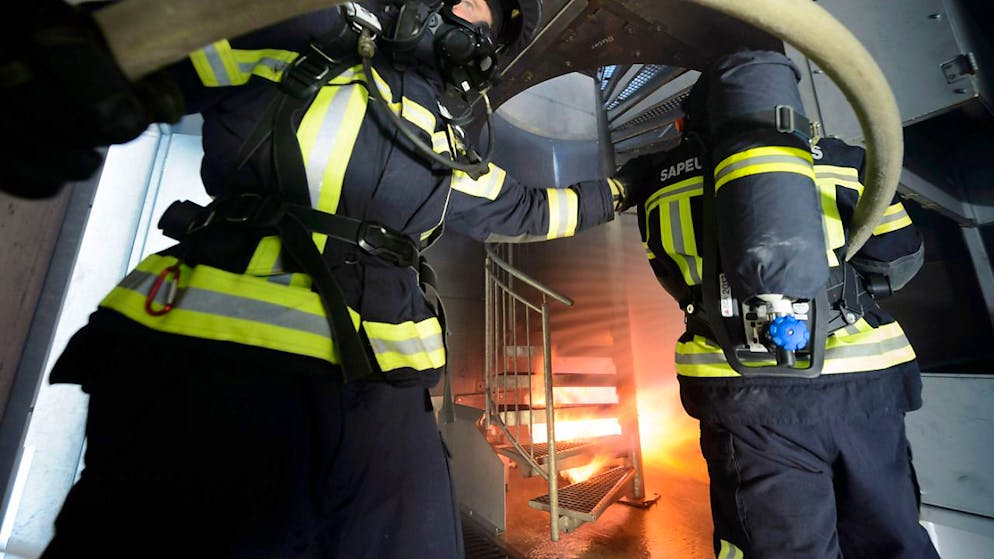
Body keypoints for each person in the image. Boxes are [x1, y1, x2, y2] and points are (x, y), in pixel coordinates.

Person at [1, 0, 623, 556]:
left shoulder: (451, 150)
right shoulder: (309, 35)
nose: (465, 5)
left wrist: (625, 189)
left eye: (486, 7)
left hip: (384, 410)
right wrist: (74, 54)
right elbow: (159, 41)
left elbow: (537, 212)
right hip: (212, 374)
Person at [614, 49, 940, 558]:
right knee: (892, 538)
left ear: (688, 121)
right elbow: (900, 259)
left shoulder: (658, 184)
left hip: (746, 395)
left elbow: (673, 279)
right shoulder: (841, 159)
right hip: (862, 380)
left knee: (780, 547)